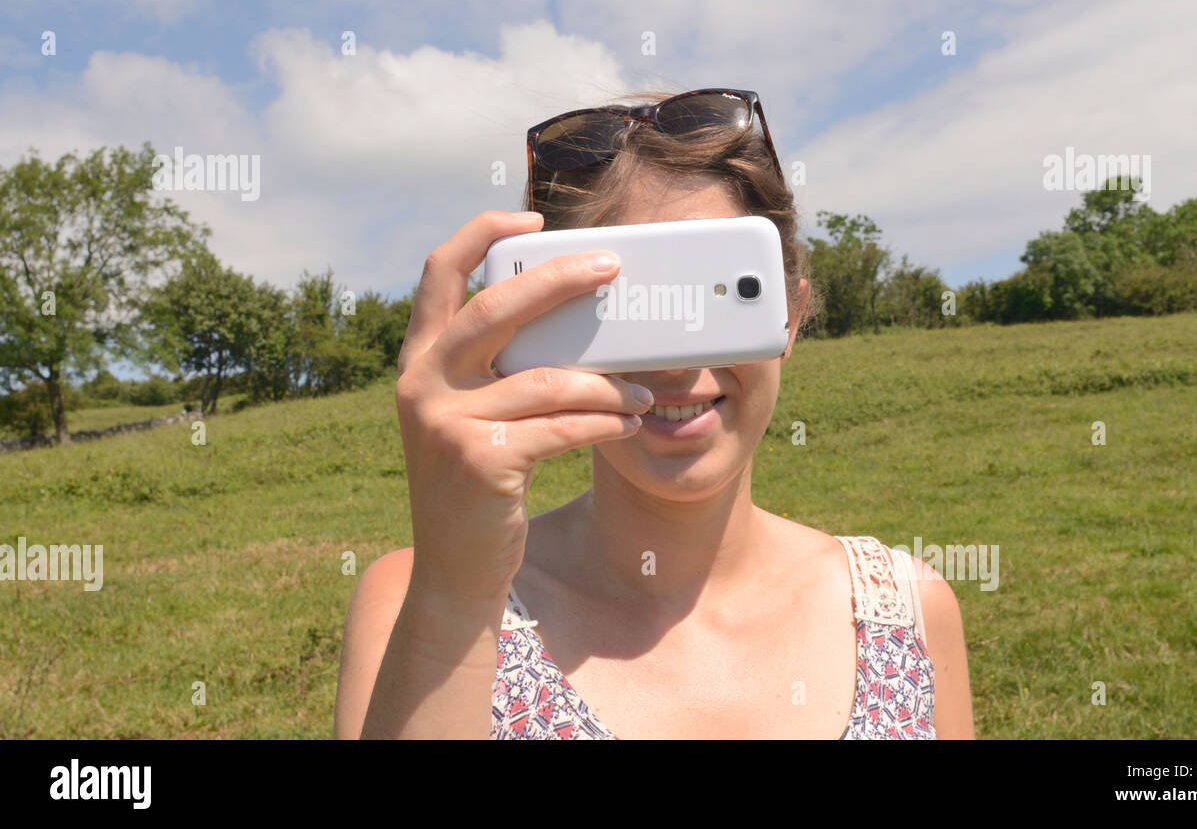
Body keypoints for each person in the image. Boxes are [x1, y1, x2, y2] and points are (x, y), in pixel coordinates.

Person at [334, 88, 975, 739]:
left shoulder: (911, 611)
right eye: (620, 308)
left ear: (790, 315)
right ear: (537, 322)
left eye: (714, 297)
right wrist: (453, 596)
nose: (673, 366)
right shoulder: (417, 600)